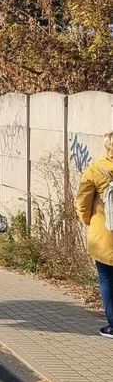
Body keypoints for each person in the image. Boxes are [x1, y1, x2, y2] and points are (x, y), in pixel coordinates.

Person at [74, 132, 113, 338]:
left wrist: (88, 220)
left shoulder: (96, 169)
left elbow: (82, 201)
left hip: (105, 235)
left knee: (107, 277)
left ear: (107, 146)